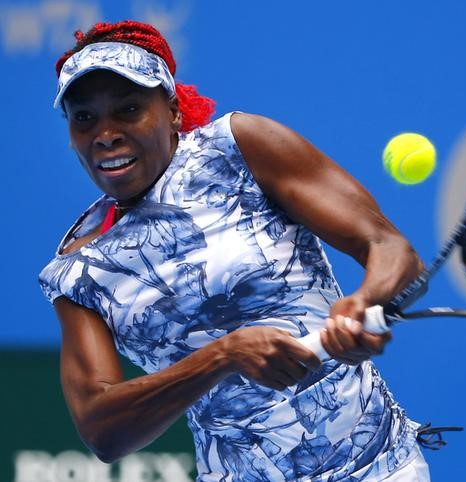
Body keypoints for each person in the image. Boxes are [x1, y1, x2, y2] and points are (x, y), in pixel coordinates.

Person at [39, 20, 431, 481]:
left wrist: (362, 303)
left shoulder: (240, 148)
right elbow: (102, 430)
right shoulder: (76, 271)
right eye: (84, 117)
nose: (105, 133)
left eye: (127, 109)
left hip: (380, 469)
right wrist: (221, 357)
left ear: (172, 111)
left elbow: (389, 248)